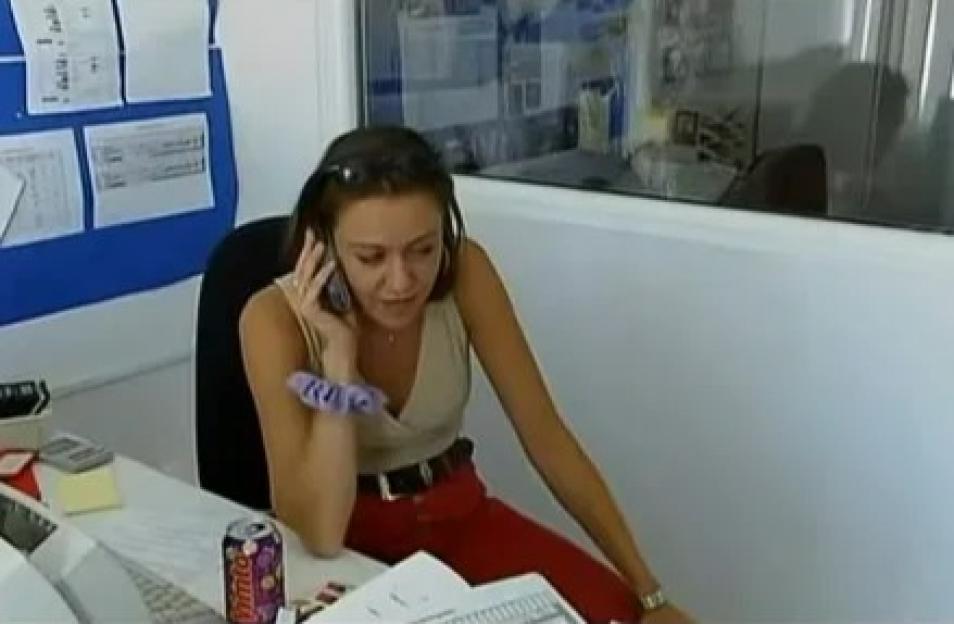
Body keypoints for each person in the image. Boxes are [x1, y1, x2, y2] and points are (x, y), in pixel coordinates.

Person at [239, 126, 692, 624]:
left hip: (458, 514)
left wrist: (650, 593)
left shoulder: (467, 271)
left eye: (423, 249)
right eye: (371, 258)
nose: (402, 281)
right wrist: (339, 356)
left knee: (616, 616)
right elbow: (323, 533)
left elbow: (547, 438)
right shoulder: (272, 321)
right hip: (350, 547)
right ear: (323, 246)